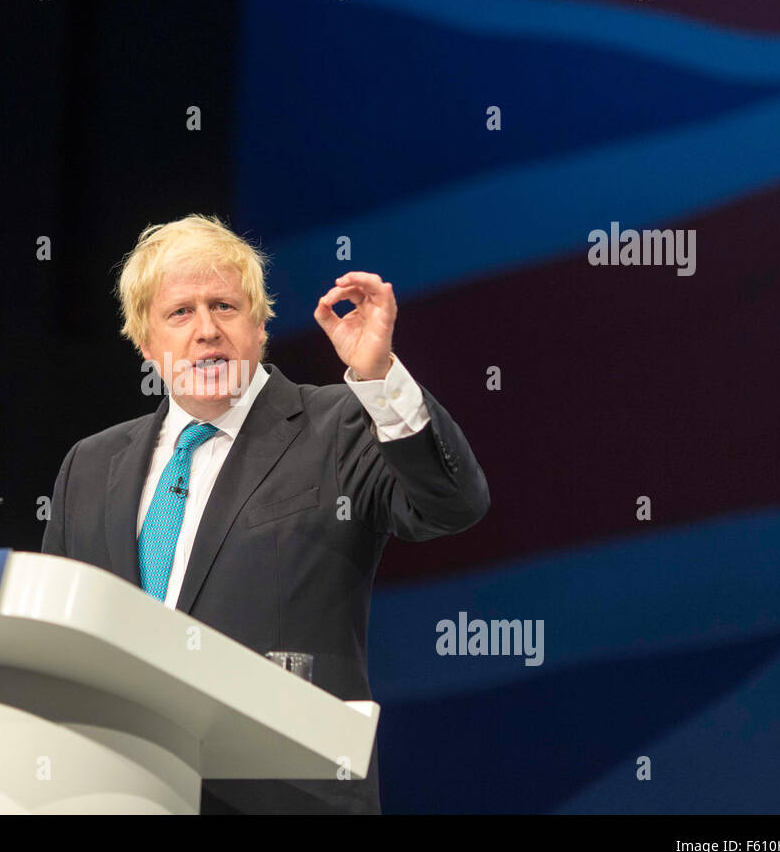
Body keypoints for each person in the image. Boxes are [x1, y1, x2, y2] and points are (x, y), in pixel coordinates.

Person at [41, 213, 489, 813]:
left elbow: (453, 506)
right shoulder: (91, 466)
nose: (206, 331)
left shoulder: (340, 424)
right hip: (122, 792)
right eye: (180, 313)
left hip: (284, 795)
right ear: (145, 342)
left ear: (259, 325)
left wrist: (378, 376)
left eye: (225, 307)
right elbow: (54, 644)